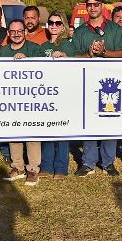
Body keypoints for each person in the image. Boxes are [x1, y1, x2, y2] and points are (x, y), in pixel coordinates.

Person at [68, 0, 122, 176]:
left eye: (96, 4)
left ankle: (108, 162)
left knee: (109, 119)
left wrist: (104, 52)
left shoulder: (114, 29)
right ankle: (88, 162)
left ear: (102, 6)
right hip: (86, 81)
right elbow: (73, 56)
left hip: (110, 82)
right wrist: (88, 55)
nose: (93, 7)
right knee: (89, 121)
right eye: (90, 4)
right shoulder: (80, 31)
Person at [0, 19, 45, 186]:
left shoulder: (34, 49)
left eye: (19, 31)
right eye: (13, 31)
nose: (16, 34)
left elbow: (45, 69)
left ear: (25, 32)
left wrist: (29, 60)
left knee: (32, 134)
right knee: (14, 132)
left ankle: (33, 170)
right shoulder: (3, 51)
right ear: (8, 34)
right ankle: (17, 166)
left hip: (31, 99)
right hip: (11, 99)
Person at [40, 11, 73, 178]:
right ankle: (46, 166)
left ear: (63, 26)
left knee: (61, 131)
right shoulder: (43, 46)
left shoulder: (67, 45)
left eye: (57, 23)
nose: (53, 25)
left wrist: (66, 57)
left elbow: (77, 66)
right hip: (46, 93)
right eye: (51, 23)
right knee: (47, 130)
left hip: (63, 94)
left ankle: (61, 168)